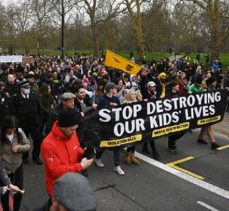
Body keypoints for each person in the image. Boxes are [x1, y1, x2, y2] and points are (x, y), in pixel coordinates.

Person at [41, 109, 93, 196]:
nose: (74, 132)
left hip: (72, 182)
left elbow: (76, 147)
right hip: (58, 189)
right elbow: (55, 171)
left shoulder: (71, 134)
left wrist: (83, 153)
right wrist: (80, 166)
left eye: (76, 129)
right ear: (63, 126)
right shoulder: (48, 144)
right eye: (72, 129)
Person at [94, 82, 125, 175]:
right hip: (105, 127)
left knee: (117, 145)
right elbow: (98, 113)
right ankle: (97, 158)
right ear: (110, 89)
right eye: (114, 88)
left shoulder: (116, 99)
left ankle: (117, 166)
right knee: (104, 145)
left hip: (115, 126)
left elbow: (120, 110)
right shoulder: (102, 100)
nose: (116, 89)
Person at [0, 116, 30, 211]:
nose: (12, 132)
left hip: (17, 166)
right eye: (9, 130)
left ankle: (16, 209)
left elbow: (28, 145)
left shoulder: (19, 132)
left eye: (14, 129)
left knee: (18, 191)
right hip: (4, 169)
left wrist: (19, 148)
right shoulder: (1, 135)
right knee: (5, 192)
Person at [13, 80, 43, 165]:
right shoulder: (16, 98)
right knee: (23, 141)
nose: (28, 89)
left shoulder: (33, 96)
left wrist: (39, 119)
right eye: (26, 88)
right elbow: (14, 112)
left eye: (28, 88)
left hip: (34, 123)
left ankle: (36, 156)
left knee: (38, 140)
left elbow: (39, 108)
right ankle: (25, 156)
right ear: (21, 88)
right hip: (23, 124)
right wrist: (17, 124)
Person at [123, 89, 141, 165]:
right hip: (129, 124)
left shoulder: (137, 103)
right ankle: (127, 155)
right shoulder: (125, 104)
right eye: (132, 94)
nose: (134, 95)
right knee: (132, 140)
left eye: (135, 94)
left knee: (136, 140)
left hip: (137, 123)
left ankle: (132, 155)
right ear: (129, 95)